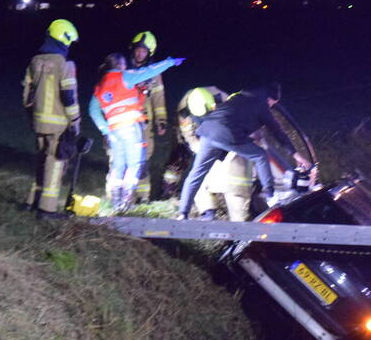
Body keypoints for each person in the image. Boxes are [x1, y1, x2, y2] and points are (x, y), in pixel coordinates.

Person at [176, 83, 310, 219]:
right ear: (269, 99)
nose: (270, 106)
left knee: (196, 174)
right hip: (227, 133)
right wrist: (296, 155)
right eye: (271, 103)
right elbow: (278, 132)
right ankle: (271, 197)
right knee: (260, 156)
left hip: (207, 132)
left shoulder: (239, 97)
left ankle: (183, 212)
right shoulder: (261, 105)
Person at [89, 52, 185, 213]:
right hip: (130, 127)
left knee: (118, 165)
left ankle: (116, 202)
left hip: (114, 131)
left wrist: (105, 129)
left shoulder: (100, 86)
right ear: (120, 65)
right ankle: (127, 201)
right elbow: (150, 70)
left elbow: (92, 110)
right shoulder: (124, 76)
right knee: (135, 164)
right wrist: (170, 62)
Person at [22, 19, 81, 218]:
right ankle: (47, 208)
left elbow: (26, 93)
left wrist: (32, 116)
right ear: (63, 39)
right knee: (55, 164)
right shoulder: (64, 64)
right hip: (58, 125)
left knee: (40, 161)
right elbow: (69, 96)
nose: (69, 46)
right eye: (69, 42)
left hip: (38, 122)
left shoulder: (35, 61)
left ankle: (32, 201)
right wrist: (75, 120)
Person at [177, 86, 255, 221]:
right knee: (200, 181)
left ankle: (240, 227)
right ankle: (208, 213)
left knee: (237, 190)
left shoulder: (225, 100)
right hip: (209, 144)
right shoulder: (185, 112)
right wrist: (200, 148)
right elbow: (189, 136)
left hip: (235, 150)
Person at [128, 31, 170, 203]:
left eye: (143, 51)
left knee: (143, 159)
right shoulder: (124, 69)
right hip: (125, 121)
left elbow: (158, 100)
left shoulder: (154, 74)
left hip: (145, 124)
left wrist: (161, 121)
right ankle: (124, 197)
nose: (139, 53)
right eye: (138, 49)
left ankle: (143, 197)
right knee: (122, 158)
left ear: (149, 53)